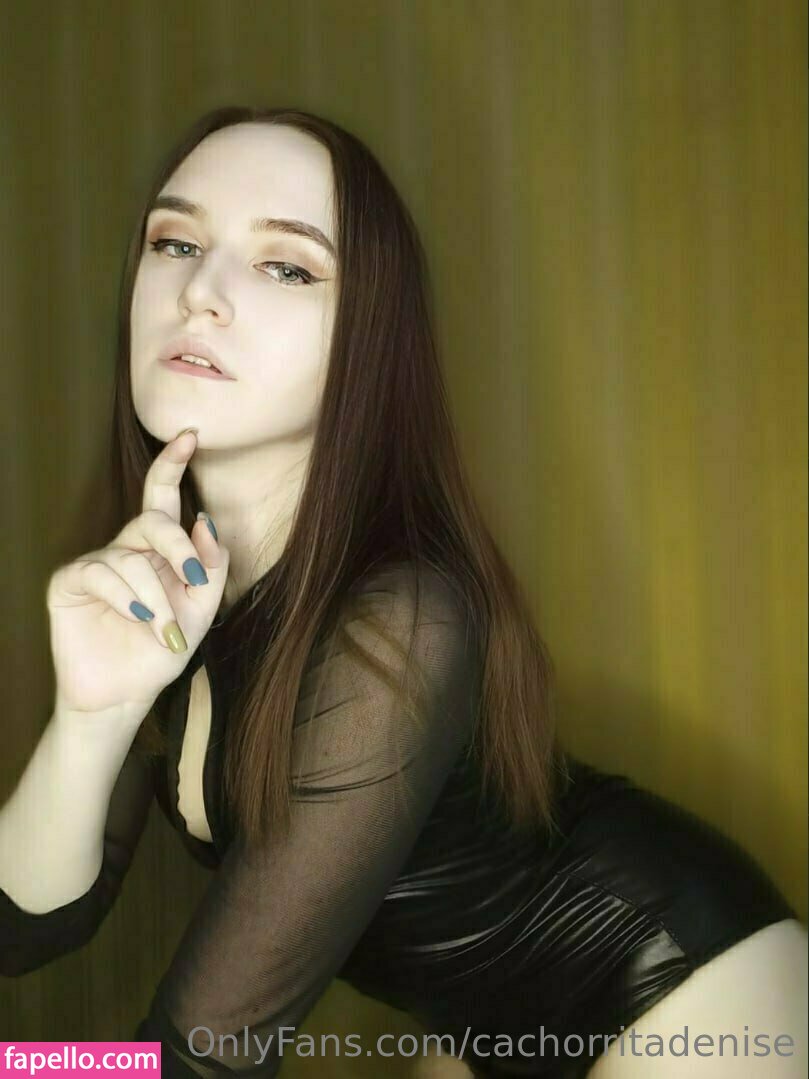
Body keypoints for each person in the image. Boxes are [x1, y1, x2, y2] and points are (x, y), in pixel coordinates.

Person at [0, 106, 805, 1079]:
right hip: (481, 1025)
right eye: (175, 243)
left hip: (670, 984)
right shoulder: (155, 581)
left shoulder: (399, 620)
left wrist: (18, 1066)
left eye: (285, 266)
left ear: (368, 338)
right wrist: (91, 718)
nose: (198, 292)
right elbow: (26, 930)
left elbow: (202, 1054)